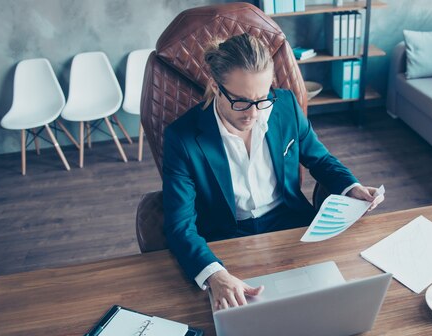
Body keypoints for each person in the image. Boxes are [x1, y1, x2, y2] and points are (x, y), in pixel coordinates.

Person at [162, 33, 384, 310]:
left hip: (291, 224)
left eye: (262, 99)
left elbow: (320, 159)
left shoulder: (286, 106)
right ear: (216, 87)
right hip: (227, 238)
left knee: (335, 300)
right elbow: (179, 224)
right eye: (241, 102)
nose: (253, 114)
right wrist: (215, 275)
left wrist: (352, 187)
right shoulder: (181, 138)